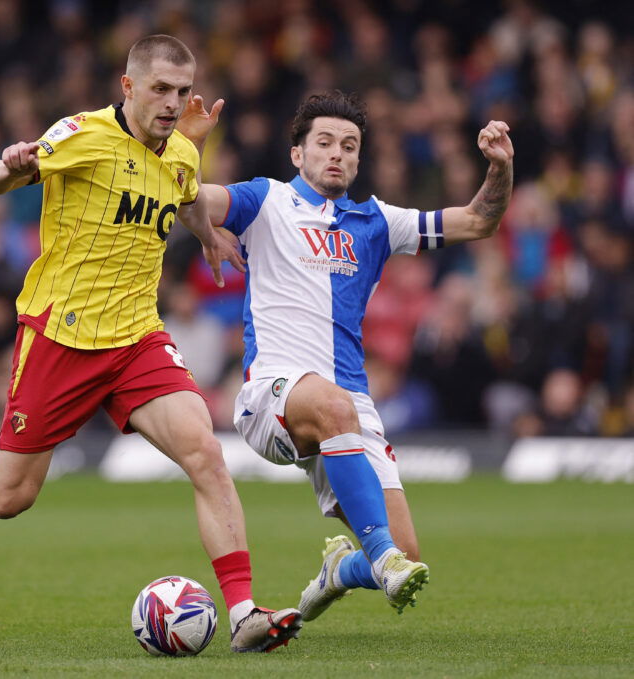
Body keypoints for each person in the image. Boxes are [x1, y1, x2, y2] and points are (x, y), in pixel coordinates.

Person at [0, 35, 303, 653]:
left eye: (182, 90)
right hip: (62, 336)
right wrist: (12, 163)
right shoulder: (81, 134)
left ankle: (242, 612)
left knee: (206, 455)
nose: (173, 102)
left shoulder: (182, 149)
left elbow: (182, 193)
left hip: (137, 337)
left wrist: (209, 233)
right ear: (128, 86)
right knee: (9, 498)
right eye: (160, 88)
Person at [183, 91, 513, 620]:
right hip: (272, 393)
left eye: (350, 145)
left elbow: (479, 221)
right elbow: (188, 198)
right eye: (325, 142)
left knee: (408, 552)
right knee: (339, 414)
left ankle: (344, 569)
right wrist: (189, 147)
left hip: (348, 408)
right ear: (298, 154)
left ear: (360, 159)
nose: (337, 153)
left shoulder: (378, 221)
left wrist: (499, 168)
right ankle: (380, 557)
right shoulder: (265, 201)